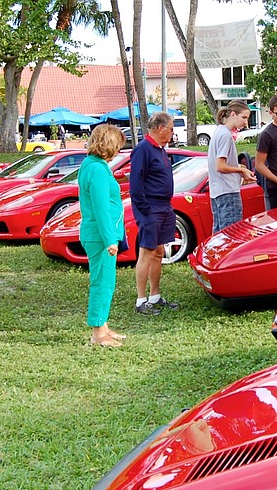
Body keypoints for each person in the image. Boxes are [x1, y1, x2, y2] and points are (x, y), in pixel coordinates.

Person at [78, 124, 127, 347]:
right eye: (117, 146)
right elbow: (101, 209)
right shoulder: (96, 170)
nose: (118, 151)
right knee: (103, 283)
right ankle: (98, 333)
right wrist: (110, 240)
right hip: (100, 236)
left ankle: (103, 326)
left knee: (105, 281)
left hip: (97, 234)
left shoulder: (92, 165)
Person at [129, 111, 179, 315]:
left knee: (159, 252)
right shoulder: (143, 150)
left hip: (165, 207)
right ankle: (141, 300)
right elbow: (136, 183)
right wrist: (146, 210)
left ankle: (155, 296)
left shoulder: (161, 150)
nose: (172, 133)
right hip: (151, 208)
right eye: (171, 129)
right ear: (160, 128)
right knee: (147, 252)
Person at [208, 100, 257, 233]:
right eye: (244, 117)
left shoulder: (218, 131)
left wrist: (238, 168)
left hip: (217, 192)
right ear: (233, 114)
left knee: (219, 236)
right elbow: (220, 166)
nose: (246, 122)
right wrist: (241, 169)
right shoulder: (225, 135)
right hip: (228, 191)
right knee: (230, 235)